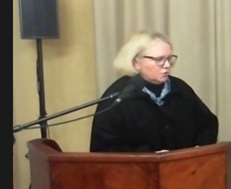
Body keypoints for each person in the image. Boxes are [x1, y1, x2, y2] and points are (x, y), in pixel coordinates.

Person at [90, 30, 219, 152]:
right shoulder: (118, 97)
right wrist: (149, 158)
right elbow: (104, 149)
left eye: (169, 59)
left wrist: (199, 148)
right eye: (159, 59)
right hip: (139, 168)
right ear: (136, 62)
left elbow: (208, 124)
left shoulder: (180, 88)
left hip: (186, 166)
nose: (167, 65)